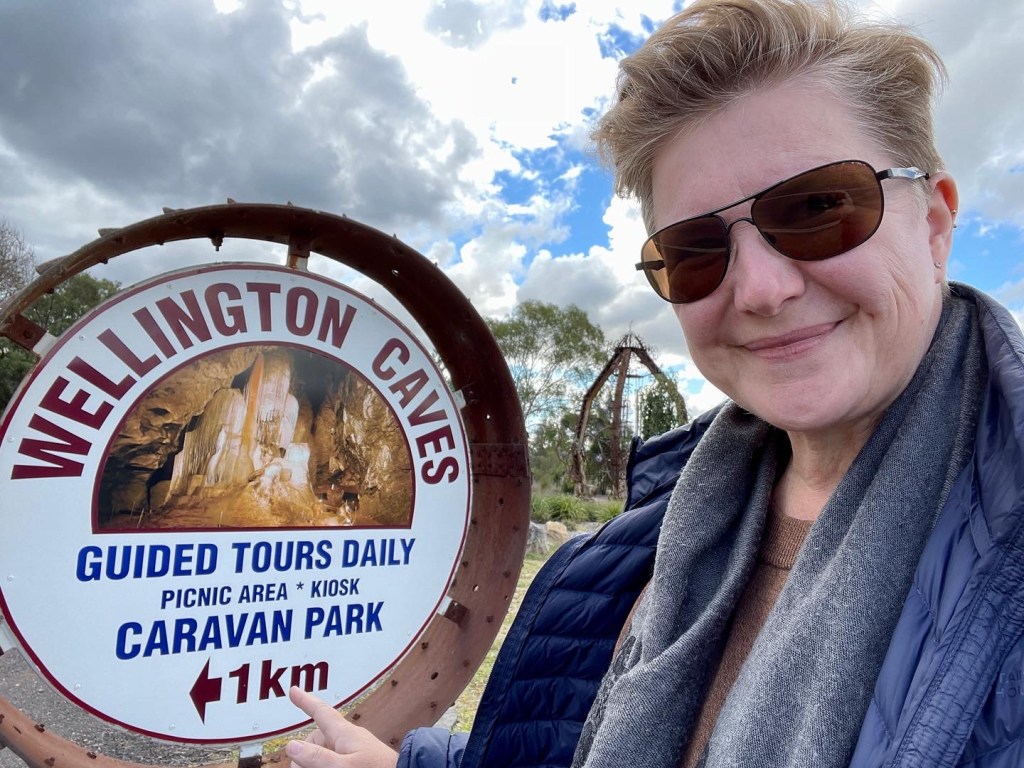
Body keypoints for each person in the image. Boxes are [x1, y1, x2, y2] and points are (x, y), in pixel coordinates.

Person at [286, 1, 1024, 766]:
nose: (762, 288)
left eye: (818, 209)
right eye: (697, 250)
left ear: (934, 224)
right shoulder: (652, 537)